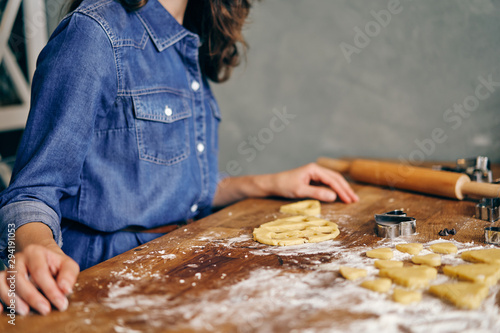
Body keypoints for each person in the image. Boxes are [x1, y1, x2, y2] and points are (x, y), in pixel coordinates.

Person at [0, 0, 358, 316]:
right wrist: (38, 245)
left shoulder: (188, 40)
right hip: (102, 286)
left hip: (178, 272)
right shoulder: (95, 33)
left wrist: (266, 183)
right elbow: (31, 191)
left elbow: (173, 188)